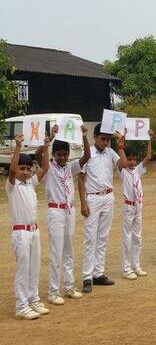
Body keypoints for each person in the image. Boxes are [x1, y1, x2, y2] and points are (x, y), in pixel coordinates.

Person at [42, 124, 90, 305]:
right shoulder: (48, 167)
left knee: (69, 250)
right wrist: (50, 140)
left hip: (69, 210)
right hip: (55, 211)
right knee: (56, 252)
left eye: (65, 154)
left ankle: (69, 286)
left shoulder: (70, 167)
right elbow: (40, 156)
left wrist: (84, 136)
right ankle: (53, 292)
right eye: (59, 154)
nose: (62, 157)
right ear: (54, 154)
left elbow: (86, 157)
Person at [78, 124, 128, 293]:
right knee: (90, 238)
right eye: (103, 139)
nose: (105, 142)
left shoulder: (110, 153)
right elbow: (81, 179)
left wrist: (120, 144)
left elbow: (124, 164)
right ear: (95, 137)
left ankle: (98, 273)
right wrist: (83, 203)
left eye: (108, 139)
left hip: (108, 196)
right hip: (92, 197)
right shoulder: (88, 153)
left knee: (103, 237)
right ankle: (86, 276)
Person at [7, 133, 51, 320]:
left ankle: (33, 299)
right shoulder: (12, 186)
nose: (25, 172)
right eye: (21, 168)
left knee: (34, 268)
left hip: (34, 231)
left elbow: (45, 167)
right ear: (17, 170)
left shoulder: (30, 184)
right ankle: (21, 305)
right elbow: (10, 172)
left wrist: (46, 146)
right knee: (23, 269)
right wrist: (18, 146)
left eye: (27, 168)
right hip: (20, 233)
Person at [118, 134, 153, 280]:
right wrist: (121, 144)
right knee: (127, 237)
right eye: (129, 159)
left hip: (138, 204)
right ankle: (126, 268)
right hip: (128, 206)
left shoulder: (137, 170)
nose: (132, 162)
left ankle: (136, 265)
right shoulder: (122, 170)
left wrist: (149, 140)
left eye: (134, 159)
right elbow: (123, 161)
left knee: (137, 236)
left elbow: (148, 157)